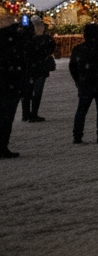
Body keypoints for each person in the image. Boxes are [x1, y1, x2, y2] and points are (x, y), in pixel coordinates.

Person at [20, 23, 55, 122]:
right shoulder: (45, 39)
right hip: (39, 68)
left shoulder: (25, 39)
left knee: (27, 91)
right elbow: (50, 49)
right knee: (36, 91)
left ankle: (26, 114)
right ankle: (33, 113)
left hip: (28, 68)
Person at [0, 11, 23, 159]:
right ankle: (3, 146)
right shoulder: (15, 40)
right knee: (6, 118)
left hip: (8, 82)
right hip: (10, 83)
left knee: (6, 117)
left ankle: (3, 146)